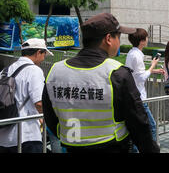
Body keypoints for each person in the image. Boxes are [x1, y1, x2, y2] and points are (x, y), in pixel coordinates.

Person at [43, 13, 160, 153]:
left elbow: (50, 117)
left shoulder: (55, 71)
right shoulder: (117, 73)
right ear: (109, 39)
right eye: (118, 37)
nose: (119, 42)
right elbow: (138, 122)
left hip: (71, 148)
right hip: (113, 147)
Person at [0, 39, 51, 153]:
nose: (44, 58)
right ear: (38, 52)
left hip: (4, 135)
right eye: (44, 54)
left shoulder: (5, 70)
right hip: (26, 135)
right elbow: (39, 103)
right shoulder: (34, 70)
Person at [126, 28, 165, 147]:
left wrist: (154, 70)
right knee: (151, 127)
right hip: (139, 98)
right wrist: (153, 65)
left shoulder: (132, 53)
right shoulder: (137, 56)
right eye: (146, 37)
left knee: (136, 129)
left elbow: (136, 74)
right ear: (142, 41)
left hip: (134, 96)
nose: (147, 39)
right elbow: (141, 77)